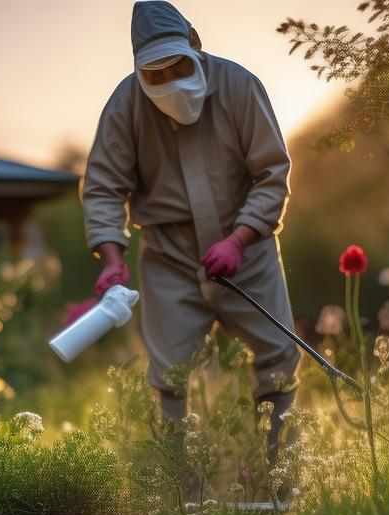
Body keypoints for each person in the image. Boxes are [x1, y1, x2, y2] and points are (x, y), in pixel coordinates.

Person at [82, 0, 299, 464]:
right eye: (154, 74)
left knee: (277, 359)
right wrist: (112, 258)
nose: (167, 81)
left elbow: (272, 172)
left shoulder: (239, 85)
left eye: (177, 66)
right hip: (169, 256)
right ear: (140, 70)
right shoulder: (125, 103)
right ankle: (182, 491)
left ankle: (281, 476)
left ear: (194, 50)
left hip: (248, 248)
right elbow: (103, 186)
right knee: (169, 375)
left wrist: (239, 238)